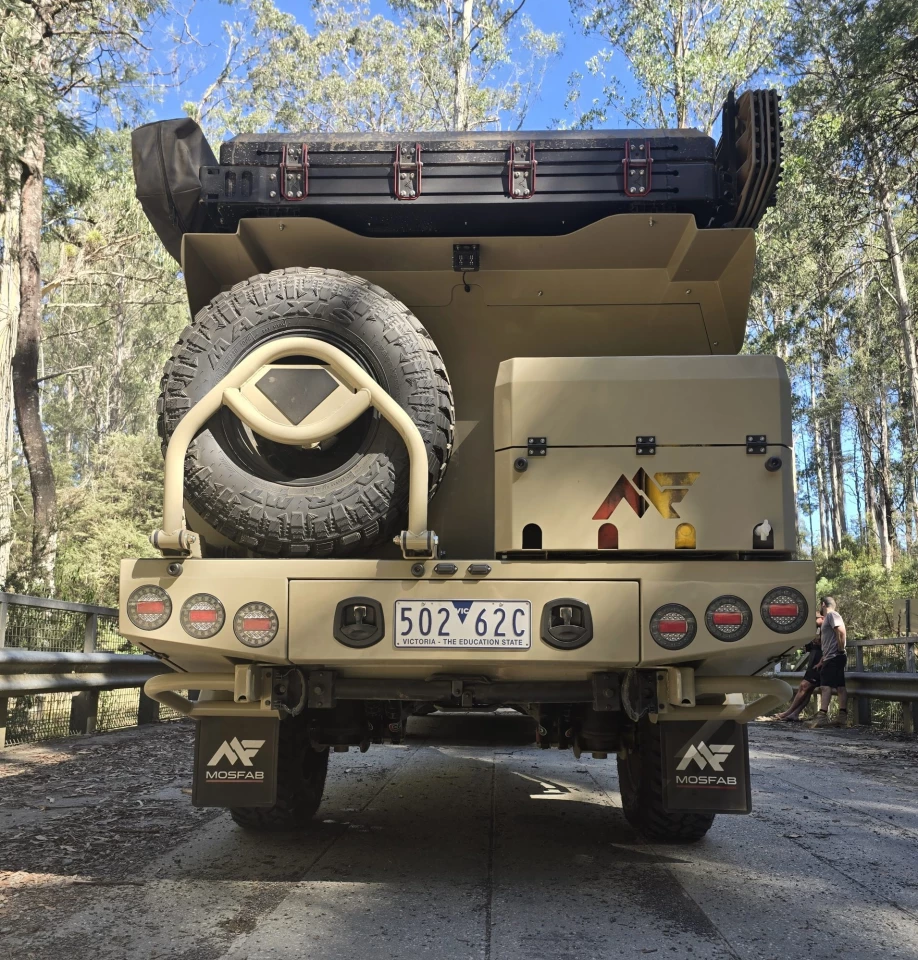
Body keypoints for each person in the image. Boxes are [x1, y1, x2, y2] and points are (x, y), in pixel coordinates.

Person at [806, 597, 847, 729]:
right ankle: (842, 717)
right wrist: (822, 660)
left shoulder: (831, 615)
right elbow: (830, 641)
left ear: (823, 604)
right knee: (840, 686)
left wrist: (840, 649)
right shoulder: (831, 617)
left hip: (834, 657)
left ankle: (822, 717)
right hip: (832, 657)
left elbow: (841, 631)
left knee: (825, 686)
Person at [776, 620, 823, 721]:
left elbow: (820, 622)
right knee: (808, 689)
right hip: (814, 655)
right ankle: (795, 713)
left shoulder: (828, 621)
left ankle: (789, 712)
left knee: (805, 685)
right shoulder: (814, 629)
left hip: (821, 657)